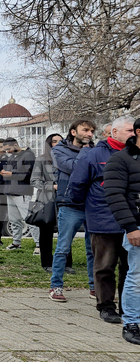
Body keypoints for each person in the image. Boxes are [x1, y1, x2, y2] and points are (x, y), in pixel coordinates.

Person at [68, 116, 133, 323]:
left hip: (131, 220)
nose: (134, 134)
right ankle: (106, 306)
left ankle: (128, 307)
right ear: (114, 132)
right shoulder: (94, 154)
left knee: (130, 267)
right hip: (104, 218)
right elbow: (77, 185)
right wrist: (91, 210)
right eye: (129, 131)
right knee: (105, 266)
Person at [104, 118, 140, 345]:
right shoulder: (120, 159)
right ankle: (132, 323)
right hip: (137, 225)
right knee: (136, 277)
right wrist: (131, 227)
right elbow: (115, 195)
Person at [51, 119, 97, 298]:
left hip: (91, 204)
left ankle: (95, 287)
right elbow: (76, 168)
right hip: (69, 204)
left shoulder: (95, 150)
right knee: (63, 247)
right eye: (85, 130)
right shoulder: (59, 150)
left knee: (93, 249)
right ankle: (56, 286)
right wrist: (85, 151)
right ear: (73, 132)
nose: (89, 134)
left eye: (91, 131)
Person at [30, 134, 62, 274]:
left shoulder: (67, 159)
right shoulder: (41, 159)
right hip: (46, 199)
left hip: (64, 198)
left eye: (60, 141)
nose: (58, 144)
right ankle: (47, 263)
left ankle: (66, 263)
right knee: (46, 232)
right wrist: (51, 186)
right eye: (54, 141)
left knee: (65, 231)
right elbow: (34, 180)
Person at [0, 138, 36, 250]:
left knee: (29, 219)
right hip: (10, 192)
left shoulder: (28, 155)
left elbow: (28, 174)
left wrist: (11, 174)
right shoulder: (11, 157)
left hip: (23, 192)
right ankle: (16, 243)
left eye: (9, 149)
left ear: (15, 145)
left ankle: (40, 244)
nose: (7, 151)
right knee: (14, 220)